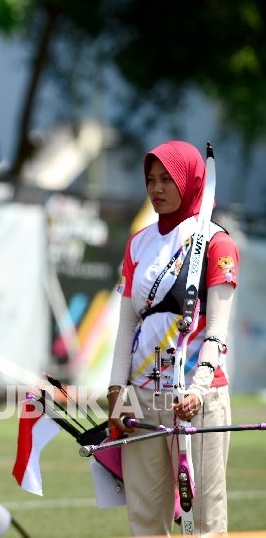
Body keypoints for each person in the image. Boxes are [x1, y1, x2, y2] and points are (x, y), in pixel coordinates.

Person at [107, 141, 237, 536]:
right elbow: (127, 325)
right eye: (150, 180)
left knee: (204, 521)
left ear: (190, 181)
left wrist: (197, 390)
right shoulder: (138, 243)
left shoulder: (217, 243)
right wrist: (116, 387)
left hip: (197, 399)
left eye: (167, 179)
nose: (156, 188)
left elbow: (217, 330)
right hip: (143, 398)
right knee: (146, 519)